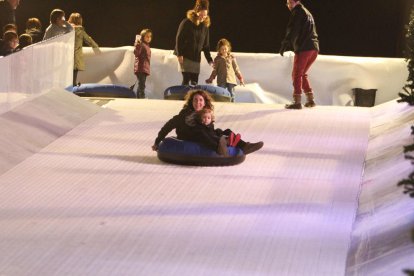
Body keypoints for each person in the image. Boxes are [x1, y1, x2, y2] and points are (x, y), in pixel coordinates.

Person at [152, 89, 263, 155]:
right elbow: (168, 126)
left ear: (204, 103)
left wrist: (219, 134)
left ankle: (244, 146)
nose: (198, 103)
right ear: (191, 102)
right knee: (201, 131)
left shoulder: (205, 114)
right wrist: (157, 141)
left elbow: (209, 130)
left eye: (200, 100)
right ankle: (220, 146)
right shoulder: (183, 115)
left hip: (204, 135)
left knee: (223, 131)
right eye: (195, 100)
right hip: (189, 137)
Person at [280, 0, 319, 109]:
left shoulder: (297, 12)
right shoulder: (307, 12)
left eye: (289, 2)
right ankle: (311, 100)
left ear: (295, 1)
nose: (287, 5)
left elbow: (293, 29)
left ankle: (297, 102)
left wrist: (285, 44)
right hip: (314, 48)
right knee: (302, 74)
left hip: (305, 48)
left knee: (296, 74)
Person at [174, 0, 213, 85]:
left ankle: (192, 97)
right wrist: (179, 54)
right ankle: (183, 98)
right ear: (196, 12)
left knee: (194, 82)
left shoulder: (205, 27)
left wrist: (209, 60)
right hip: (185, 57)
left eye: (205, 15)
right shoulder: (187, 22)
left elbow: (206, 45)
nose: (203, 17)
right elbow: (179, 38)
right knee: (186, 79)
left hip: (196, 59)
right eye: (201, 14)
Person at [68, 12, 99, 87]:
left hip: (67, 53)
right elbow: (88, 40)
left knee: (67, 70)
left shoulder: (66, 30)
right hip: (76, 55)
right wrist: (96, 47)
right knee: (74, 70)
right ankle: (74, 84)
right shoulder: (80, 30)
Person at [134, 29, 152, 99]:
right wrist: (138, 44)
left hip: (144, 68)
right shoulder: (140, 44)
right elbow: (136, 53)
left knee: (141, 84)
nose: (149, 38)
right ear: (142, 37)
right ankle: (141, 97)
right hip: (140, 67)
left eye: (150, 36)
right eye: (147, 36)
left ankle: (140, 98)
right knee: (142, 84)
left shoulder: (147, 45)